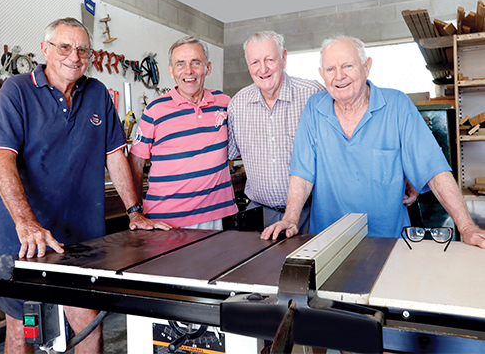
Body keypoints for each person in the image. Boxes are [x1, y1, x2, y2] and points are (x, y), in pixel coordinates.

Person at [0, 18, 166, 354]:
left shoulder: (97, 93)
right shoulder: (16, 90)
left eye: (82, 50)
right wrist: (26, 223)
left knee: (89, 325)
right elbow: (2, 160)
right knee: (22, 328)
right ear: (45, 50)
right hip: (19, 235)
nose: (74, 56)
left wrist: (135, 211)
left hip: (78, 237)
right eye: (64, 47)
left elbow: (115, 155)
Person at [261, 35, 485, 249]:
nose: (339, 76)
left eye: (347, 66)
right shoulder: (314, 108)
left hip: (389, 243)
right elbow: (302, 173)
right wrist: (290, 218)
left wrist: (466, 227)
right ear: (322, 74)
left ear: (366, 66)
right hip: (326, 241)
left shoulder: (397, 105)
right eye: (330, 69)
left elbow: (434, 169)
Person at [128, 36, 237, 229]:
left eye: (196, 63)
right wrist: (135, 212)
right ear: (171, 71)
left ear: (208, 68)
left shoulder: (224, 103)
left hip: (214, 216)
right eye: (180, 64)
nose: (188, 71)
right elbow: (135, 162)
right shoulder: (154, 110)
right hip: (164, 221)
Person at [227, 31, 326, 232]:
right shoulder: (237, 104)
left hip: (310, 213)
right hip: (258, 214)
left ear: (283, 57)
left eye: (269, 59)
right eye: (255, 62)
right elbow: (223, 155)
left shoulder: (313, 94)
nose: (263, 69)